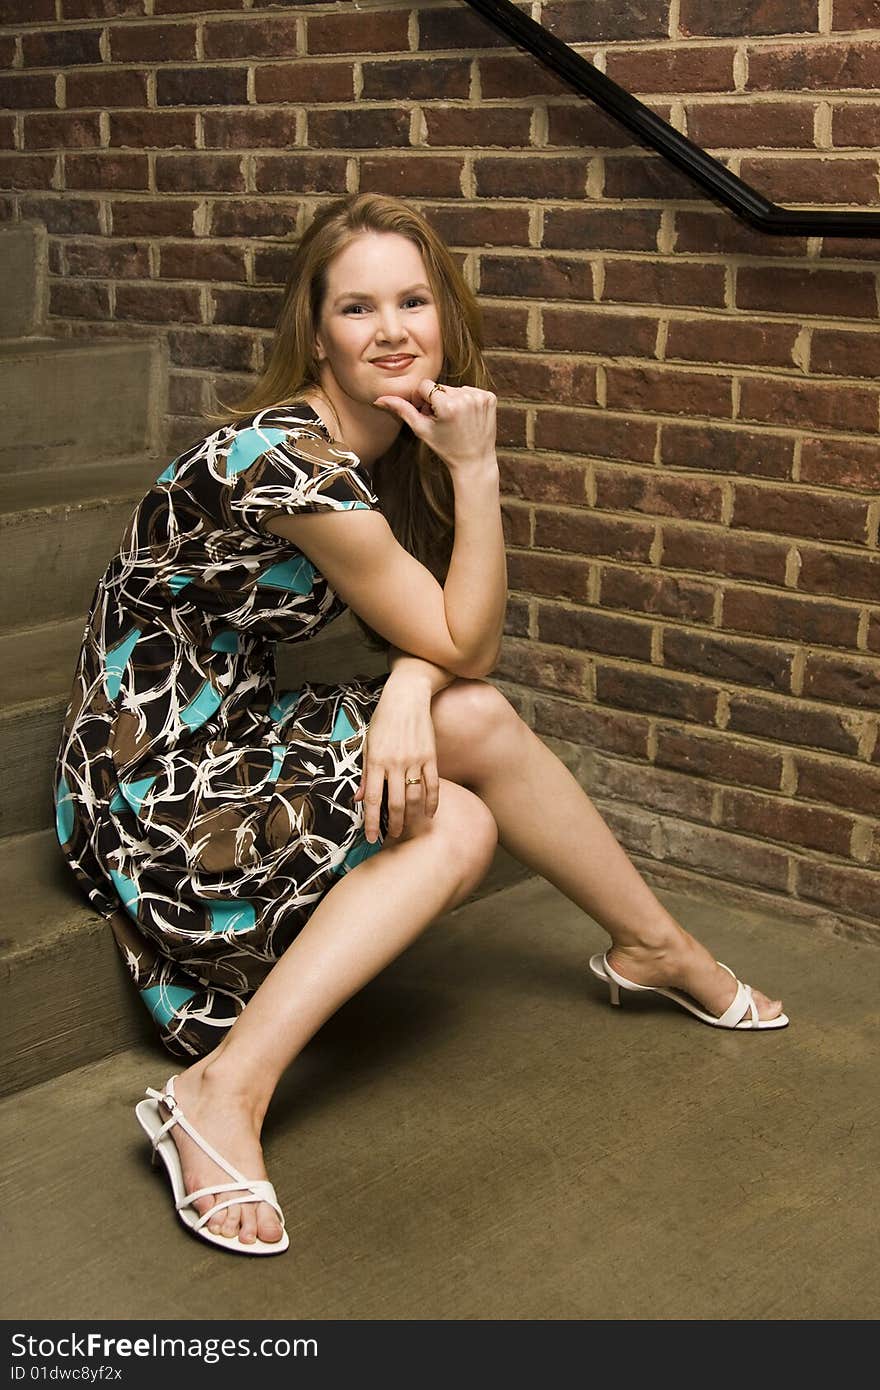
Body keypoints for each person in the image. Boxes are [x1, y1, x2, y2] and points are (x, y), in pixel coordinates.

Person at [54, 192, 788, 1257]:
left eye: (412, 299)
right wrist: (478, 475)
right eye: (358, 308)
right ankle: (216, 1093)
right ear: (316, 333)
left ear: (442, 314)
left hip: (231, 721)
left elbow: (445, 646)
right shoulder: (282, 459)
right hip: (152, 769)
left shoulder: (375, 444)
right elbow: (463, 637)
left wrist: (410, 683)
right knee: (459, 819)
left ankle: (654, 944)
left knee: (470, 715)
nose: (392, 329)